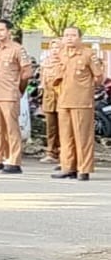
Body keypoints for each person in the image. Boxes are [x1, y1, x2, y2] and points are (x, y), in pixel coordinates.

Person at [51, 25, 105, 181]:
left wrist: (87, 90)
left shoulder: (88, 54)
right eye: (66, 35)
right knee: (66, 136)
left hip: (82, 101)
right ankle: (68, 167)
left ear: (79, 37)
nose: (69, 38)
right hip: (64, 100)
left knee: (82, 137)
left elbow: (98, 77)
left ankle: (84, 169)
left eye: (73, 35)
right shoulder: (61, 54)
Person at [0, 19, 32, 175]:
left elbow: (27, 72)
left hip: (9, 93)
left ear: (9, 31)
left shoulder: (17, 49)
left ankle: (14, 161)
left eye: (1, 30)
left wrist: (18, 89)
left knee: (11, 128)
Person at [40, 38, 62, 164]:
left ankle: (63, 152)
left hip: (61, 98)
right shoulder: (45, 64)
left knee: (63, 127)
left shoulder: (64, 63)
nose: (55, 51)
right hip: (48, 98)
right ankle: (51, 151)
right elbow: (42, 83)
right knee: (50, 127)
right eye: (53, 48)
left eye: (58, 48)